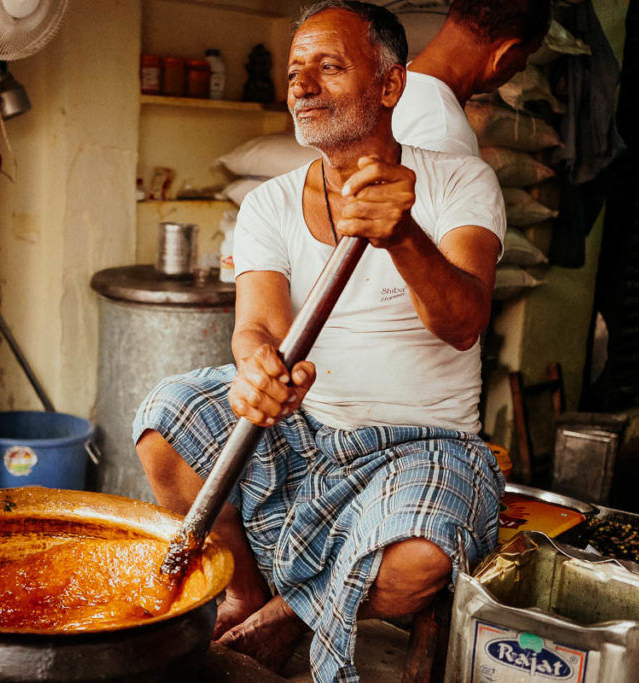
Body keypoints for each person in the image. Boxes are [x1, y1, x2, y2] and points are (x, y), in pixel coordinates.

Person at [133, 2, 507, 681]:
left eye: (329, 66)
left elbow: (463, 322)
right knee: (167, 417)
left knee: (421, 558)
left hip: (421, 441)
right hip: (304, 432)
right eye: (295, 70)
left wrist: (402, 235)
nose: (302, 85)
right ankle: (247, 590)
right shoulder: (268, 203)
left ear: (390, 86)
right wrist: (255, 370)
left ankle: (293, 612)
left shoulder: (460, 182)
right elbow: (258, 328)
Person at [393, 0, 552, 155]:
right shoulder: (446, 139)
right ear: (505, 54)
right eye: (527, 54)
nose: (522, 66)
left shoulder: (394, 87)